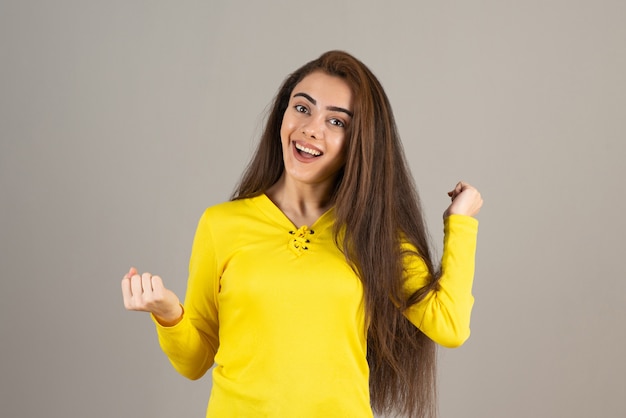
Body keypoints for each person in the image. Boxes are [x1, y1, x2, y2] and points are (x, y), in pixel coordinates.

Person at [121, 50, 483, 418]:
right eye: (303, 108)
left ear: (360, 142)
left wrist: (461, 221)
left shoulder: (374, 235)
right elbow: (194, 362)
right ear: (283, 115)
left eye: (337, 122)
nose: (311, 128)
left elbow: (450, 325)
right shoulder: (221, 225)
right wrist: (168, 314)